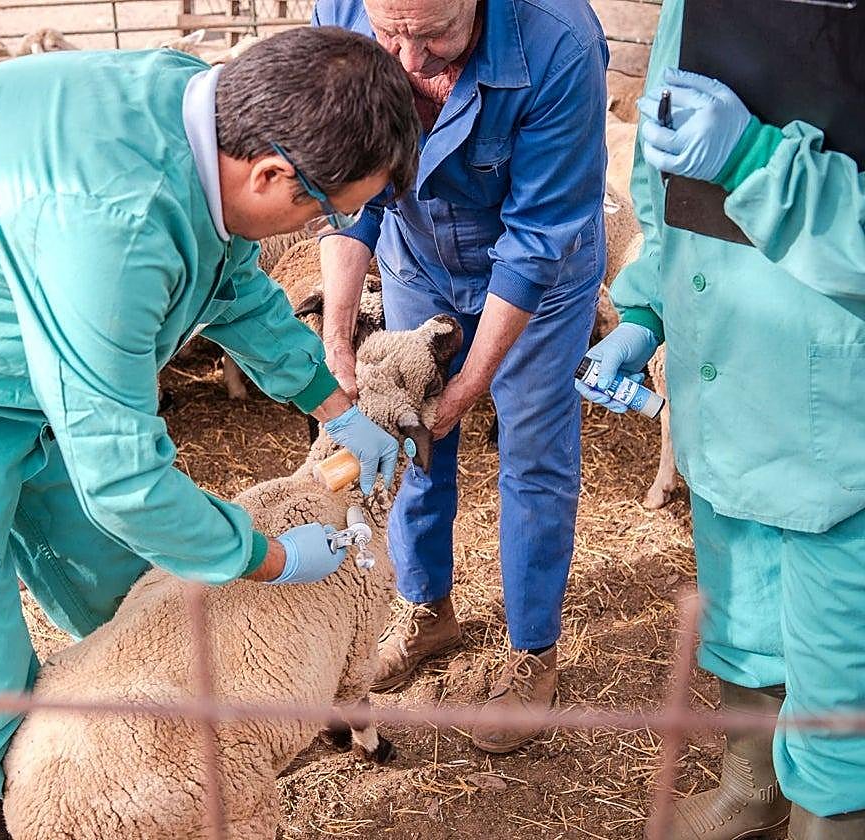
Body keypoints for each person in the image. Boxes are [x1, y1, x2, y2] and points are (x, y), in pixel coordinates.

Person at [0, 28, 419, 840]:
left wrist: (332, 403)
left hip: (14, 359)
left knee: (126, 588)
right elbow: (125, 480)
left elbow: (232, 284)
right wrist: (269, 556)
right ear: (273, 173)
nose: (326, 226)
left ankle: (143, 778)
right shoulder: (119, 223)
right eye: (328, 211)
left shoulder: (205, 118)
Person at [577, 1, 865, 837]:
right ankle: (755, 788)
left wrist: (758, 159)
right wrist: (643, 312)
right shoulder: (696, 7)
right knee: (744, 618)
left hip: (838, 425)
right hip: (727, 384)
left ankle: (828, 820)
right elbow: (666, 197)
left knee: (842, 674)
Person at [312, 0, 609, 752]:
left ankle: (531, 651)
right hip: (419, 260)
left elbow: (538, 237)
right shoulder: (343, 11)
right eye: (390, 36)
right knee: (412, 446)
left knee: (533, 453)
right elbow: (348, 179)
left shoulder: (560, 44)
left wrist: (471, 385)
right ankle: (426, 608)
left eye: (434, 36)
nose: (408, 62)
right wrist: (339, 328)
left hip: (539, 283)